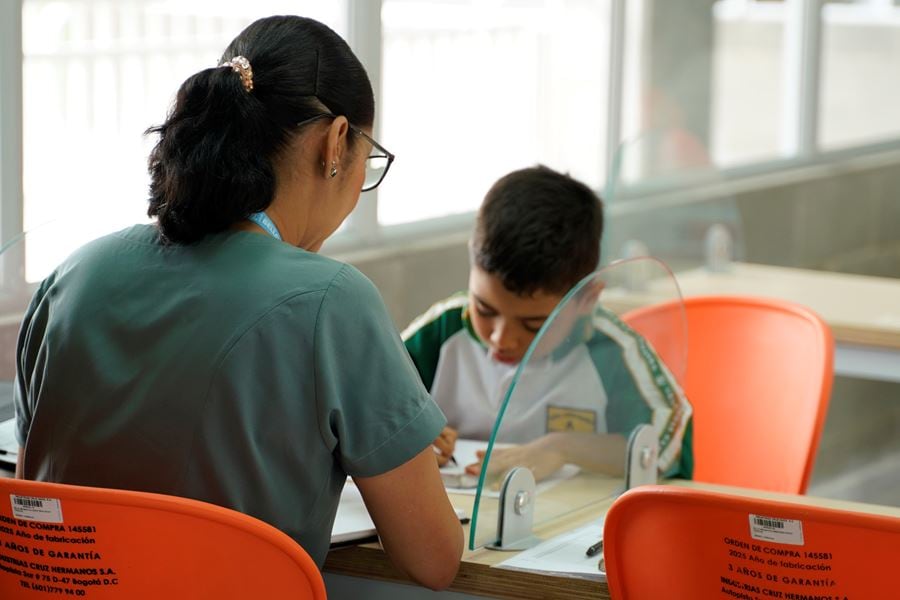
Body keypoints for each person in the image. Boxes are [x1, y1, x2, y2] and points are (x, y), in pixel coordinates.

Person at [14, 15, 462, 589]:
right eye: (366, 163)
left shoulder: (73, 273)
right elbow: (433, 559)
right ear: (335, 143)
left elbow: (36, 508)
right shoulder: (332, 300)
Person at [403, 166, 693, 482]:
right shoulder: (439, 335)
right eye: (484, 309)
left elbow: (670, 446)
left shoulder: (612, 352)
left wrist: (565, 447)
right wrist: (410, 436)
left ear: (586, 300)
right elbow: (361, 408)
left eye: (533, 325)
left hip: (575, 525)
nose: (502, 338)